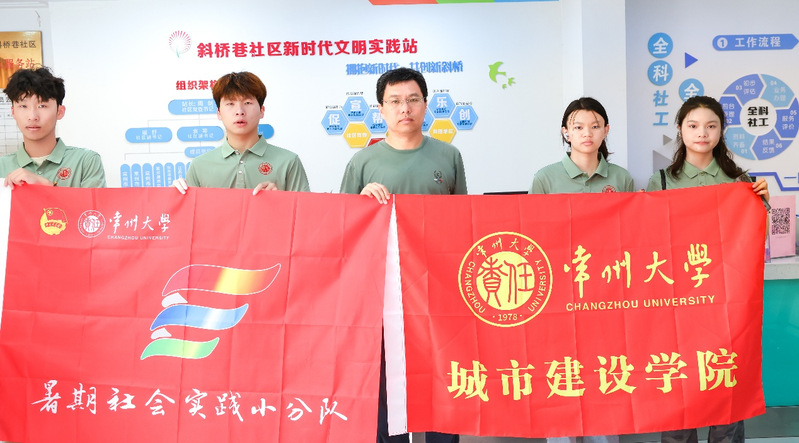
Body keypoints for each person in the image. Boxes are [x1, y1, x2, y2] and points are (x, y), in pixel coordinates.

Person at [340, 67, 465, 443]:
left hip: (436, 285)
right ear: (380, 109)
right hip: (382, 288)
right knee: (385, 377)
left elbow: (462, 222)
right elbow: (343, 227)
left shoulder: (448, 155)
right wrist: (362, 202)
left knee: (443, 371)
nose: (404, 108)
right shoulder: (363, 162)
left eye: (412, 100)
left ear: (426, 104)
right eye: (394, 101)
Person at [647, 95, 768, 443]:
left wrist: (763, 204)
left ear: (721, 131)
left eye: (711, 126)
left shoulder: (740, 181)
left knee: (725, 384)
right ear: (680, 130)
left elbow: (754, 243)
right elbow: (648, 243)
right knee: (679, 386)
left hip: (727, 304)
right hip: (676, 304)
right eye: (694, 125)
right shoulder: (661, 181)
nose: (702, 133)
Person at [530, 97, 631, 443]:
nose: (587, 133)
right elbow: (533, 239)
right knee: (561, 376)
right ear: (565, 132)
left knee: (604, 375)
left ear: (606, 130)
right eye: (578, 126)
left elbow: (632, 236)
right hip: (558, 297)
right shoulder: (545, 178)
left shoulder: (620, 178)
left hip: (607, 296)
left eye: (594, 126)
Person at [173, 71, 309, 194]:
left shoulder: (288, 161)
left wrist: (281, 200)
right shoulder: (199, 165)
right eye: (230, 104)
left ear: (262, 111)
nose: (239, 111)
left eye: (248, 103)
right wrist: (172, 197)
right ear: (219, 113)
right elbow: (190, 213)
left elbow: (304, 212)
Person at [1, 67, 106, 188]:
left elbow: (93, 202)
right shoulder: (2, 166)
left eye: (42, 106)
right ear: (13, 112)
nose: (32, 117)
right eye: (23, 106)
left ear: (59, 112)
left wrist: (46, 185)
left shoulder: (86, 161)